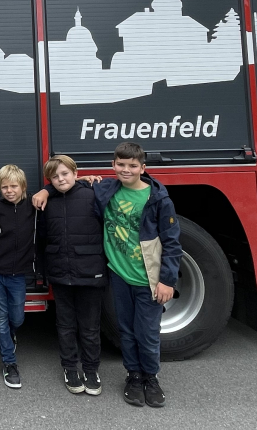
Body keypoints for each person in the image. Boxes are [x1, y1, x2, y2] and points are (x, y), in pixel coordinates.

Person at [93, 142, 182, 408]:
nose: (126, 169)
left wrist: (167, 281)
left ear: (143, 168)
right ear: (113, 165)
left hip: (148, 280)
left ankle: (150, 379)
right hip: (120, 276)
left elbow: (172, 242)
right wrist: (47, 190)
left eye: (132, 165)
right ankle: (133, 376)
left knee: (147, 333)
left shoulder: (158, 199)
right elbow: (67, 181)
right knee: (127, 331)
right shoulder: (106, 189)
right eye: (120, 164)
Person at [31, 155, 108, 396]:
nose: (61, 179)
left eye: (65, 174)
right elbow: (42, 238)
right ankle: (70, 368)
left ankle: (91, 370)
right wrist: (43, 271)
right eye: (55, 177)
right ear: (49, 180)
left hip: (90, 273)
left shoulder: (93, 194)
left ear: (76, 173)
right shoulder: (47, 202)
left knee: (90, 326)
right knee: (65, 325)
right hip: (60, 274)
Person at [0, 164, 37, 389]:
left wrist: (86, 179)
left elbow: (59, 190)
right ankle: (9, 363)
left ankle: (10, 333)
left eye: (14, 186)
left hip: (19, 274)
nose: (9, 191)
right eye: (5, 187)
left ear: (23, 186)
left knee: (17, 317)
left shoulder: (34, 205)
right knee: (0, 317)